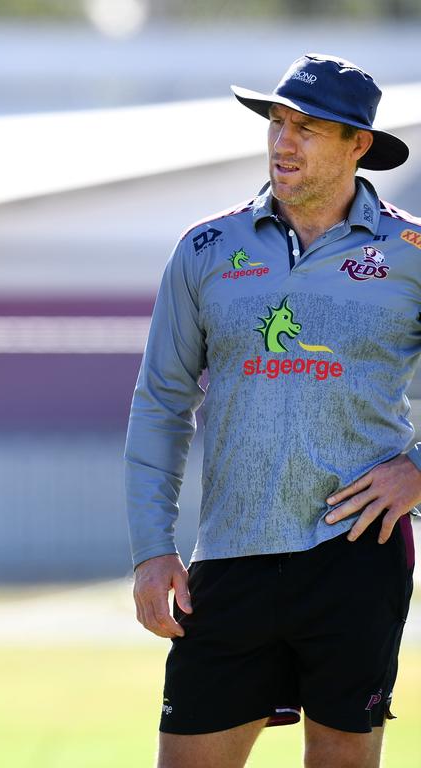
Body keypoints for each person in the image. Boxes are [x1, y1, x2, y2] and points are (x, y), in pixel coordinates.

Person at [124, 53, 417, 768]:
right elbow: (161, 402)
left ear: (359, 146)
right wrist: (151, 548)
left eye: (309, 127)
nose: (284, 142)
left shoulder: (412, 253)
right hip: (230, 559)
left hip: (359, 556)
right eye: (278, 123)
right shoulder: (205, 248)